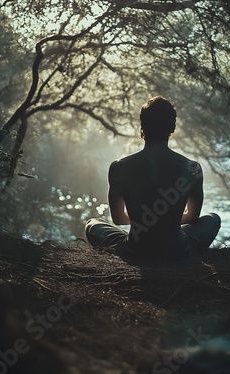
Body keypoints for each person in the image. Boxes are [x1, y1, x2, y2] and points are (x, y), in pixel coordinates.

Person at [85, 96, 221, 262]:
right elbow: (193, 218)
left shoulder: (119, 167)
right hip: (178, 250)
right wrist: (167, 222)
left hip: (135, 250)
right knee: (212, 219)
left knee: (92, 224)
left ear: (142, 126)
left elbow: (118, 219)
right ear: (172, 127)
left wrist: (143, 222)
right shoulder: (191, 168)